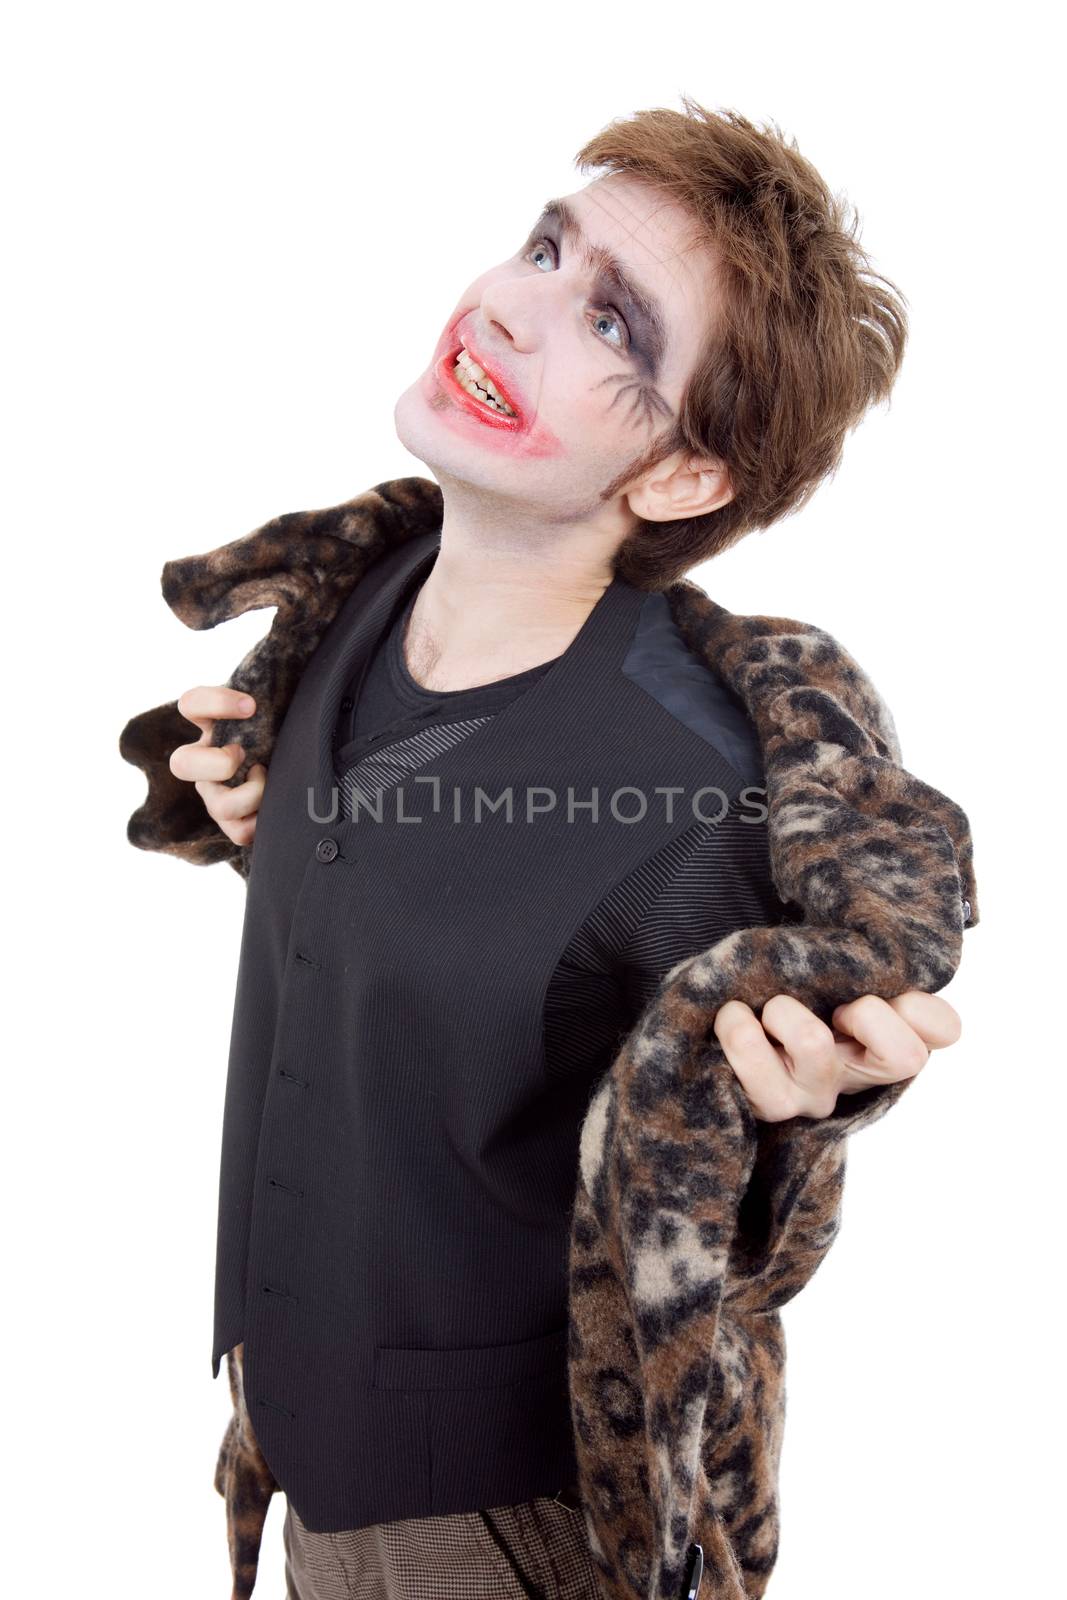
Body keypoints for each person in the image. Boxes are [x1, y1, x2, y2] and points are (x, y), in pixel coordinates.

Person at [155, 100, 965, 1599]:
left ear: (679, 479)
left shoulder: (699, 794)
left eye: (610, 321)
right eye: (546, 244)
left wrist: (822, 1098)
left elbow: (744, 1175)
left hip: (498, 1531)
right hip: (292, 1436)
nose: (514, 307)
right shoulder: (364, 594)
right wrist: (248, 806)